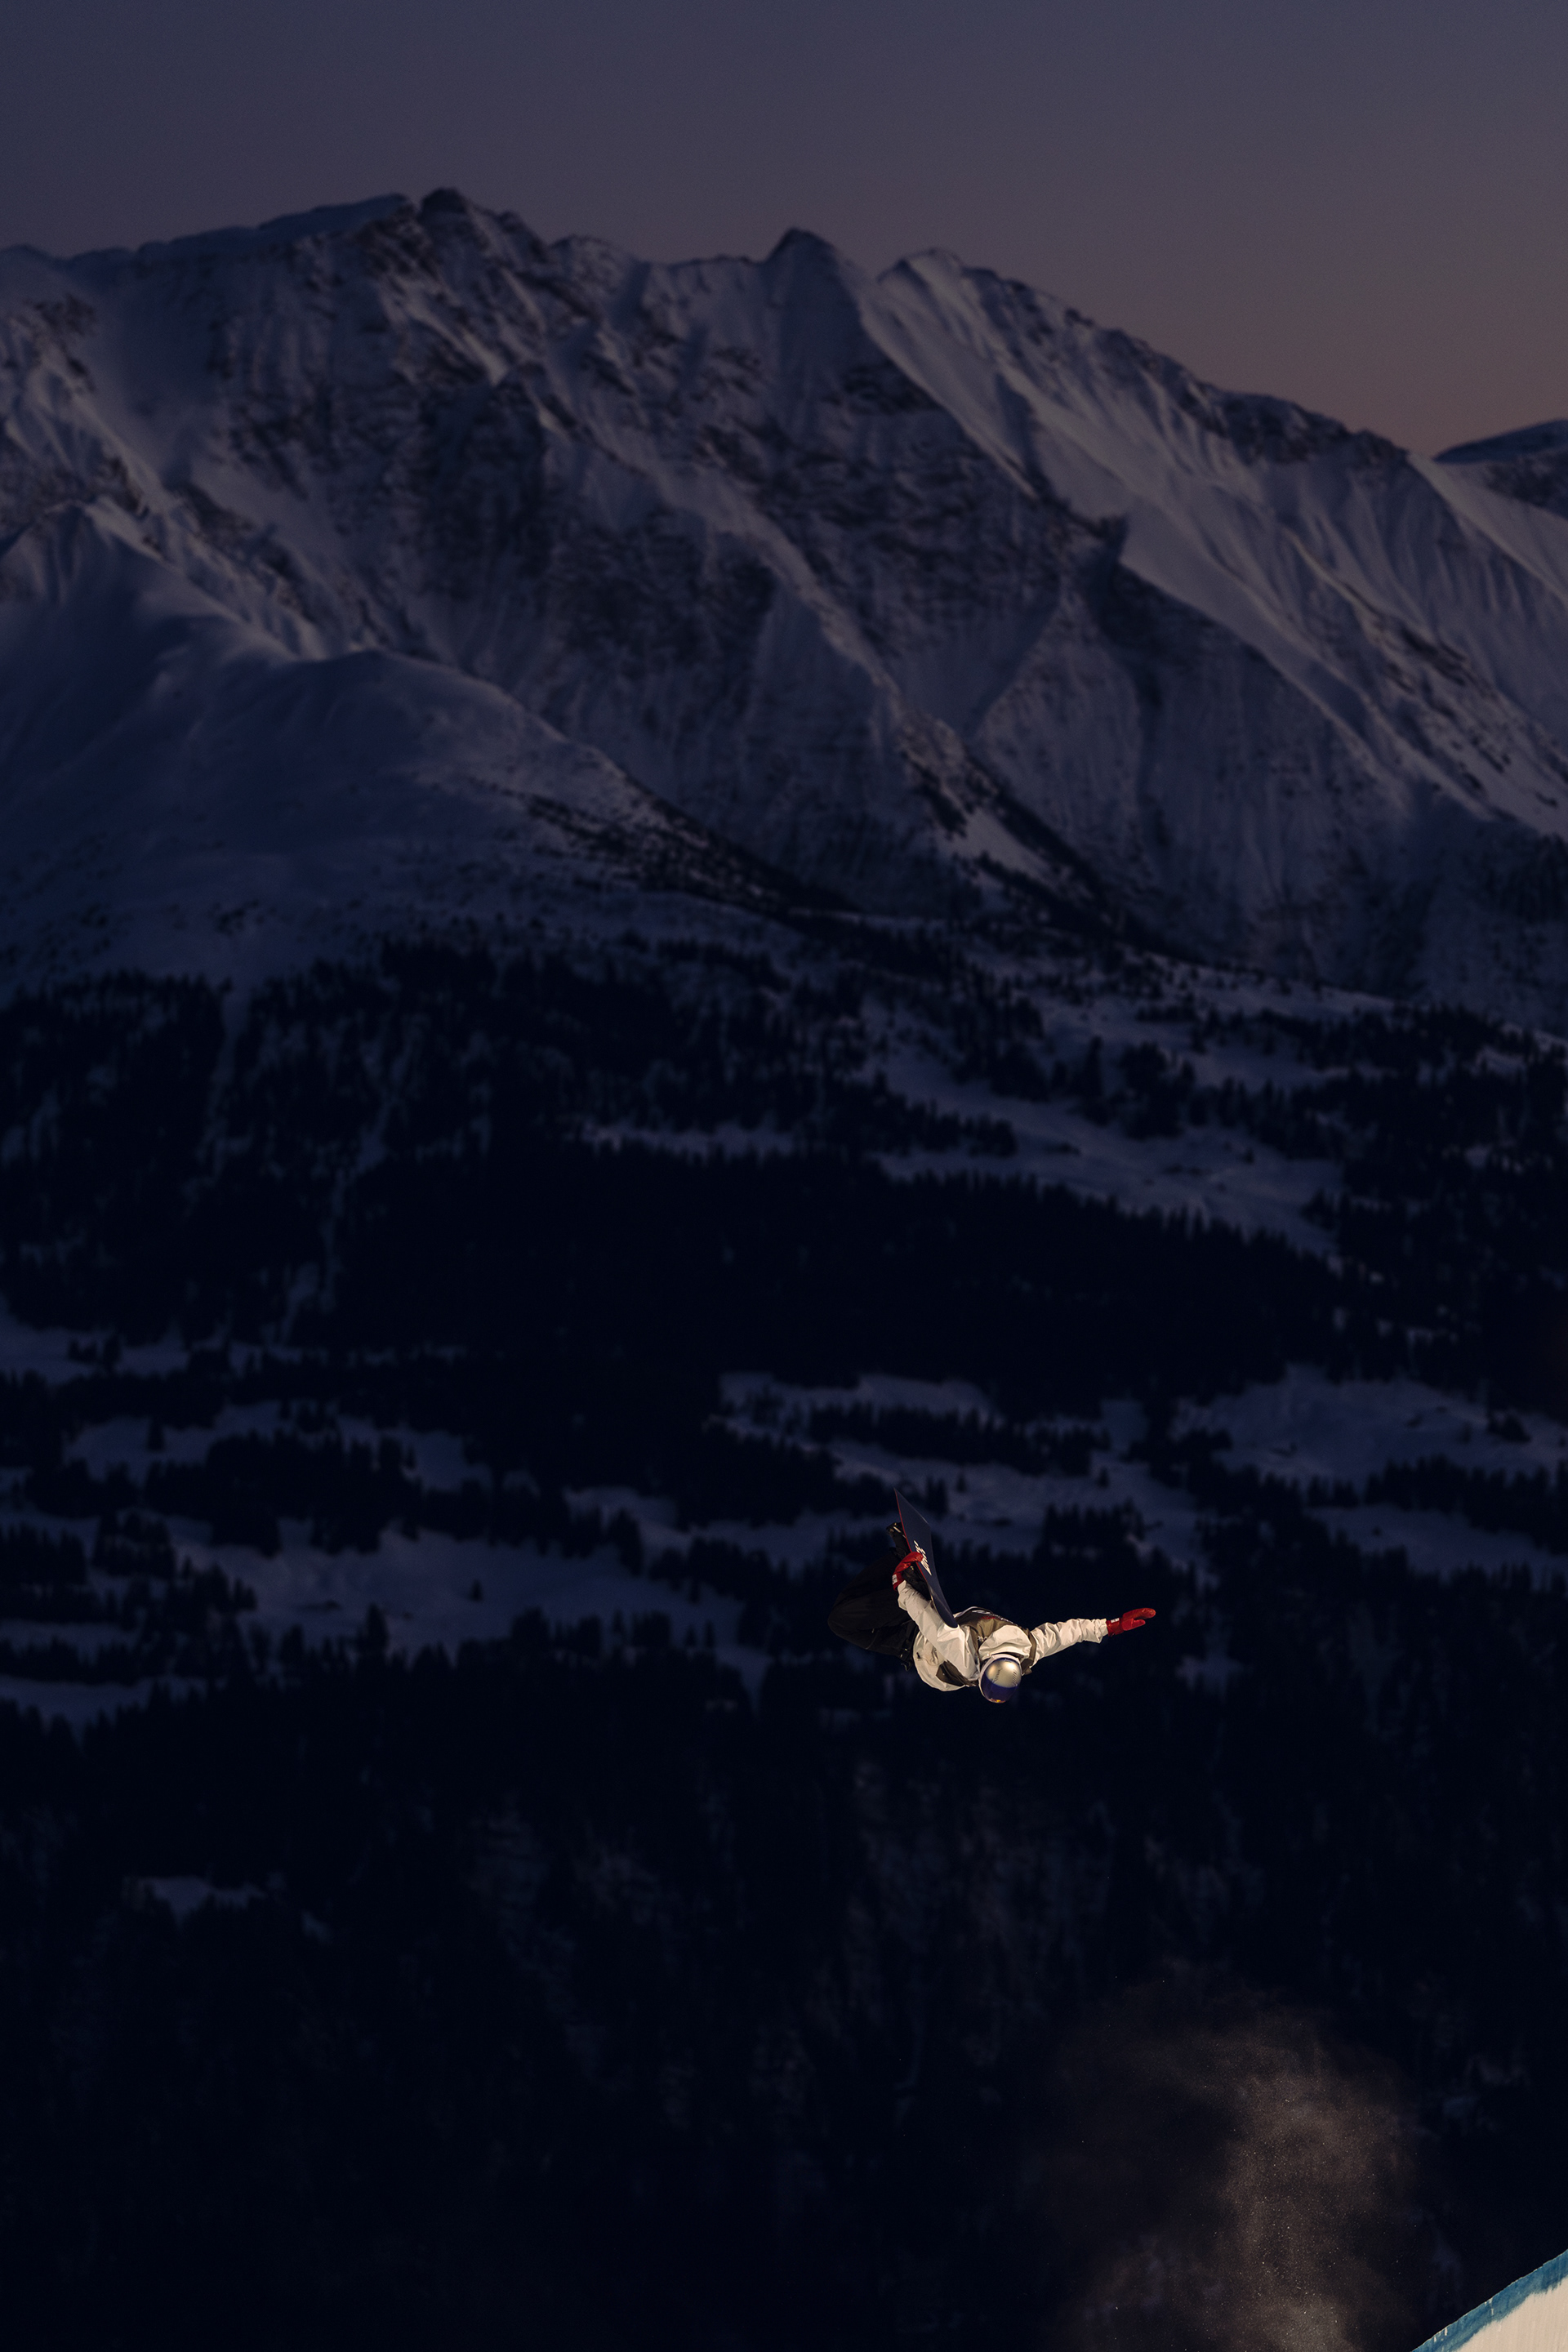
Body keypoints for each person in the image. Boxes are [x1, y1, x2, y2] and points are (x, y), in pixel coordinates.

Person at [827, 1525, 1154, 1702]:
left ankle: (898, 1565)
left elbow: (1067, 1633)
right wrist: (902, 1588)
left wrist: (1110, 1627)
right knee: (841, 1620)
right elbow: (933, 1625)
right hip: (916, 1629)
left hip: (911, 1646)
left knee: (841, 1618)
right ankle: (901, 1567)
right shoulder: (969, 1658)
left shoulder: (1029, 1647)